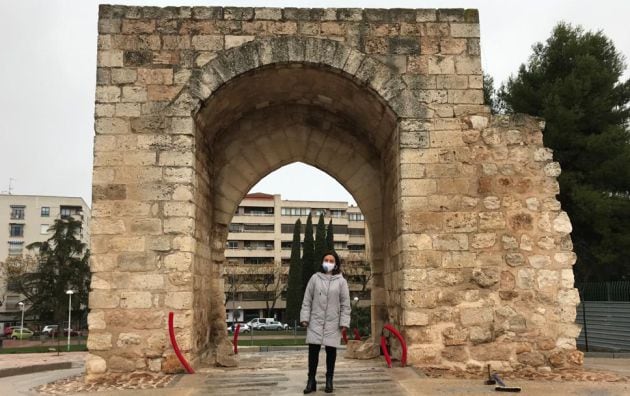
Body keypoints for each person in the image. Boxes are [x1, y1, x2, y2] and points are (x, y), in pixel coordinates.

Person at [300, 250, 351, 394]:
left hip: (333, 322)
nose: (328, 263)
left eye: (331, 260)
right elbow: (307, 300)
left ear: (335, 264)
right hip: (315, 320)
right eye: (326, 260)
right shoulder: (314, 278)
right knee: (313, 352)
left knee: (331, 352)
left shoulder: (341, 282)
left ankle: (329, 379)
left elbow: (345, 304)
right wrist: (305, 318)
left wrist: (344, 322)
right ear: (322, 262)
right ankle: (311, 380)